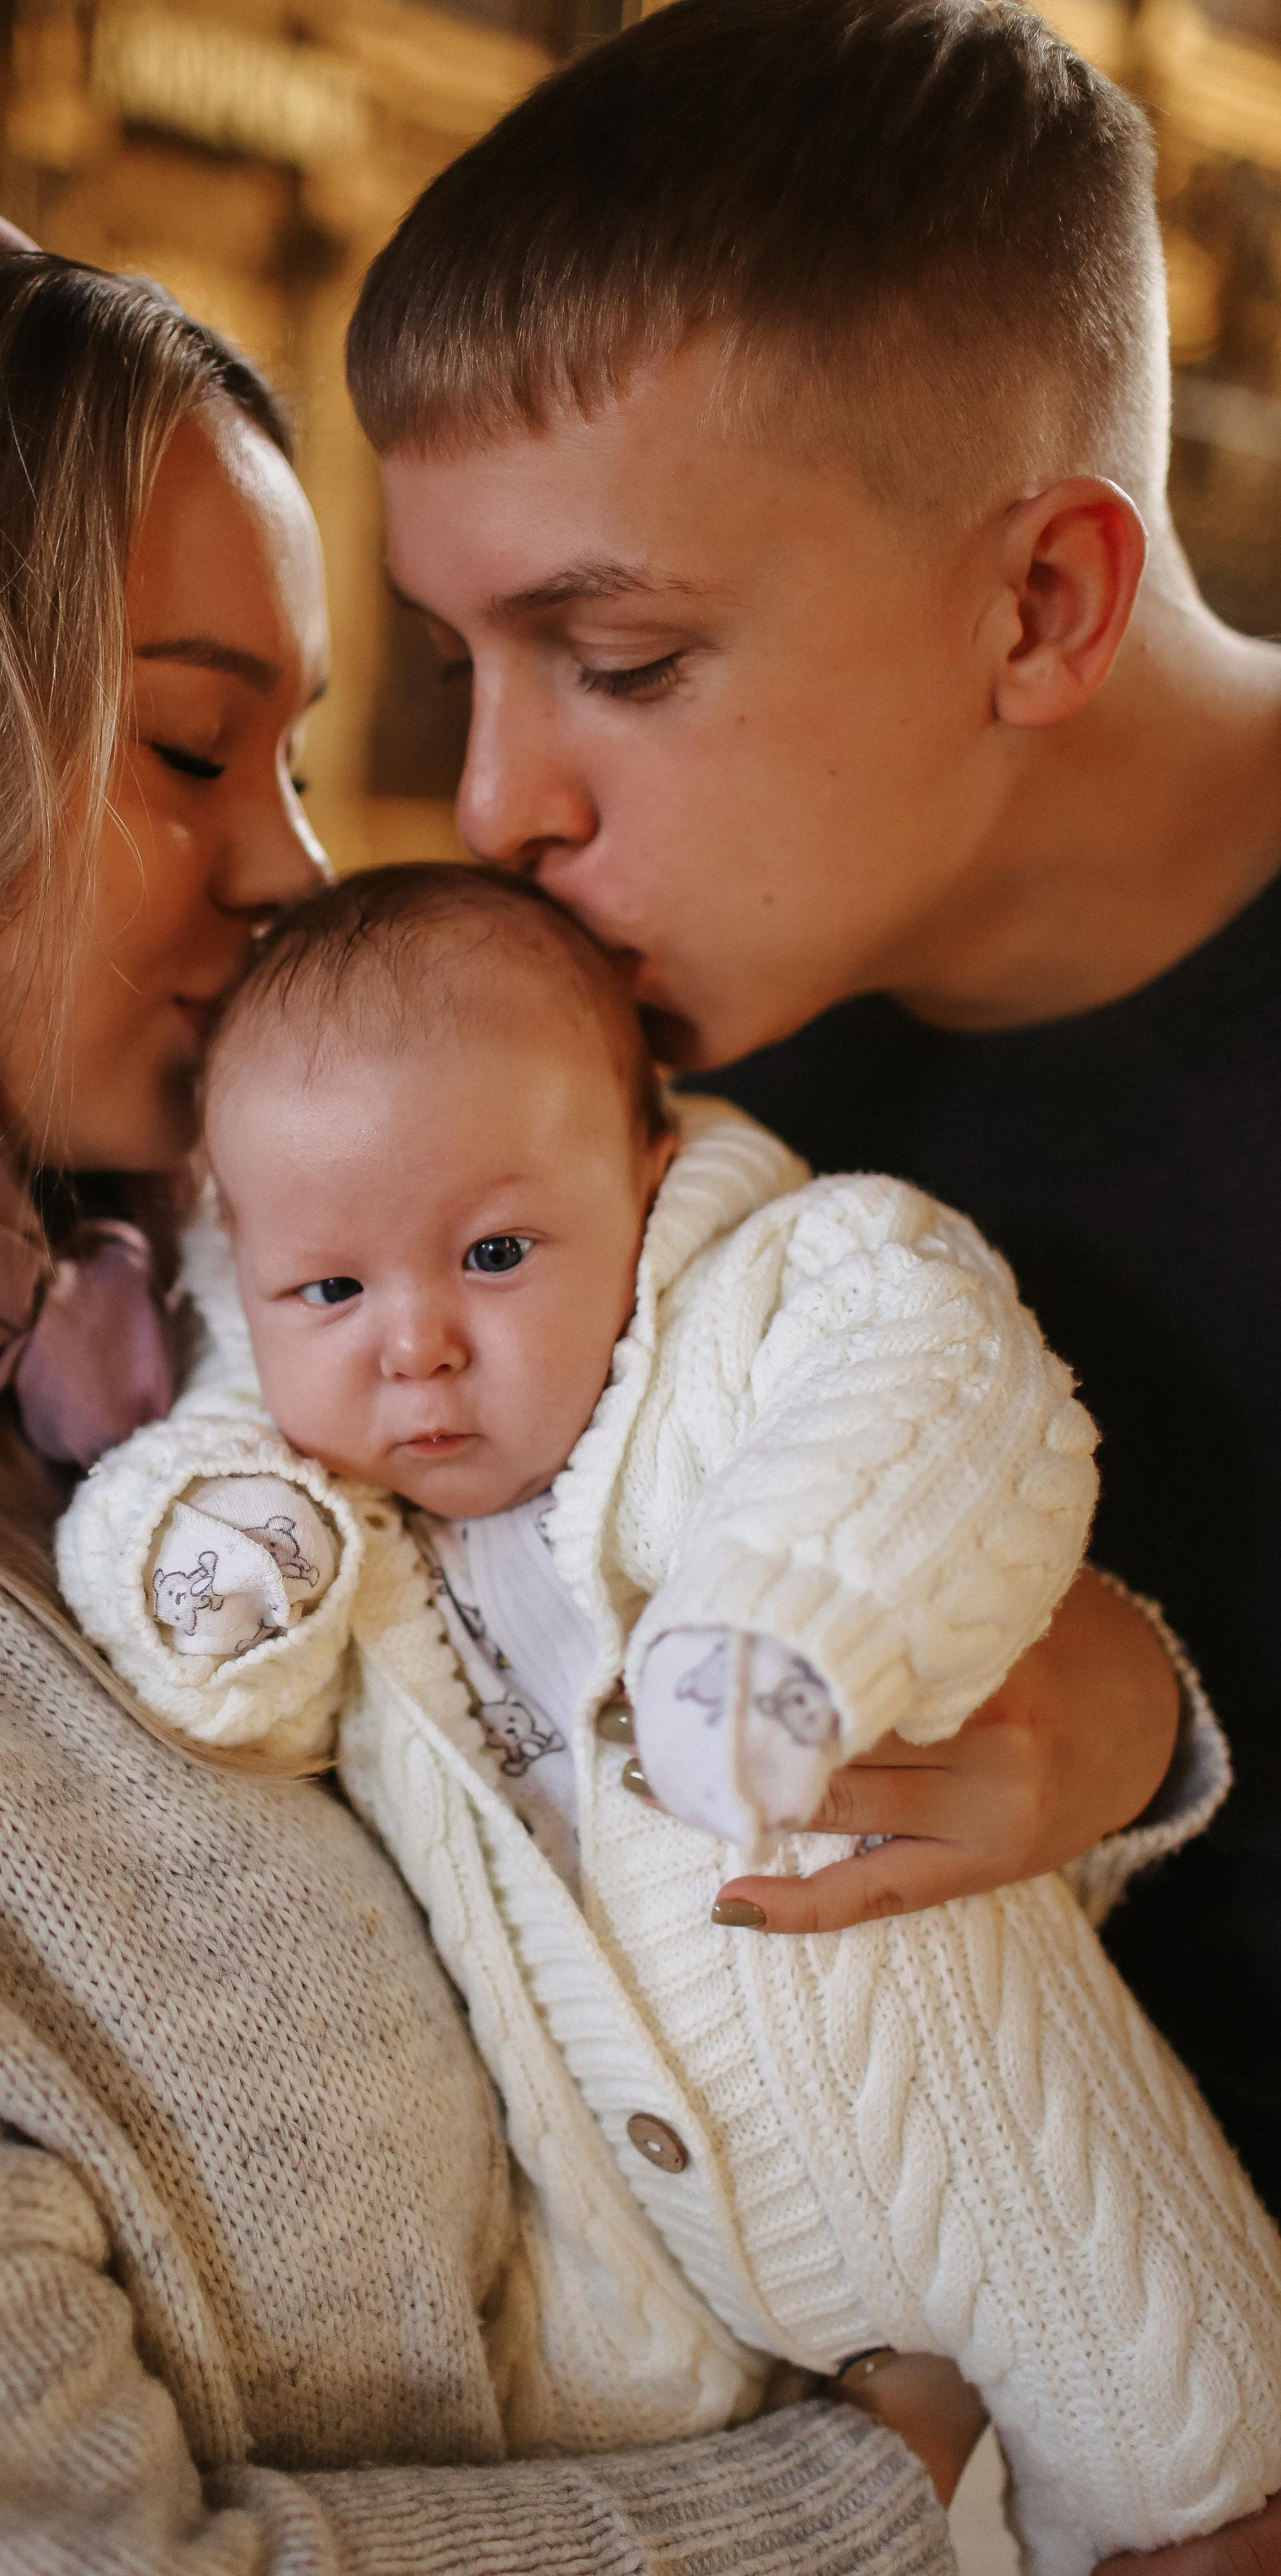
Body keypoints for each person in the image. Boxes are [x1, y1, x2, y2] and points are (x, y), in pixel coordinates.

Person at [0, 194, 1000, 2572]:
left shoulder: (186, 1317)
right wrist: (885, 2506)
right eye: (190, 751)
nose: (299, 870)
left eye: (302, 756)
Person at [58, 860, 1281, 2574]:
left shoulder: (762, 1301)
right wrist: (208, 1560)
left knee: (1200, 2487)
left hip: (1004, 2166)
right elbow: (224, 1646)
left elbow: (927, 1394)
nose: (414, 1345)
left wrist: (778, 1628)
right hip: (671, 2304)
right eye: (328, 1292)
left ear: (642, 1174)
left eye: (494, 1252)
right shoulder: (330, 1506)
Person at [345, 0, 1281, 2237]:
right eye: (457, 657)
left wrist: (1184, 1749)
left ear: (1041, 597)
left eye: (627, 661)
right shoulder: (633, 1093)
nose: (496, 803)